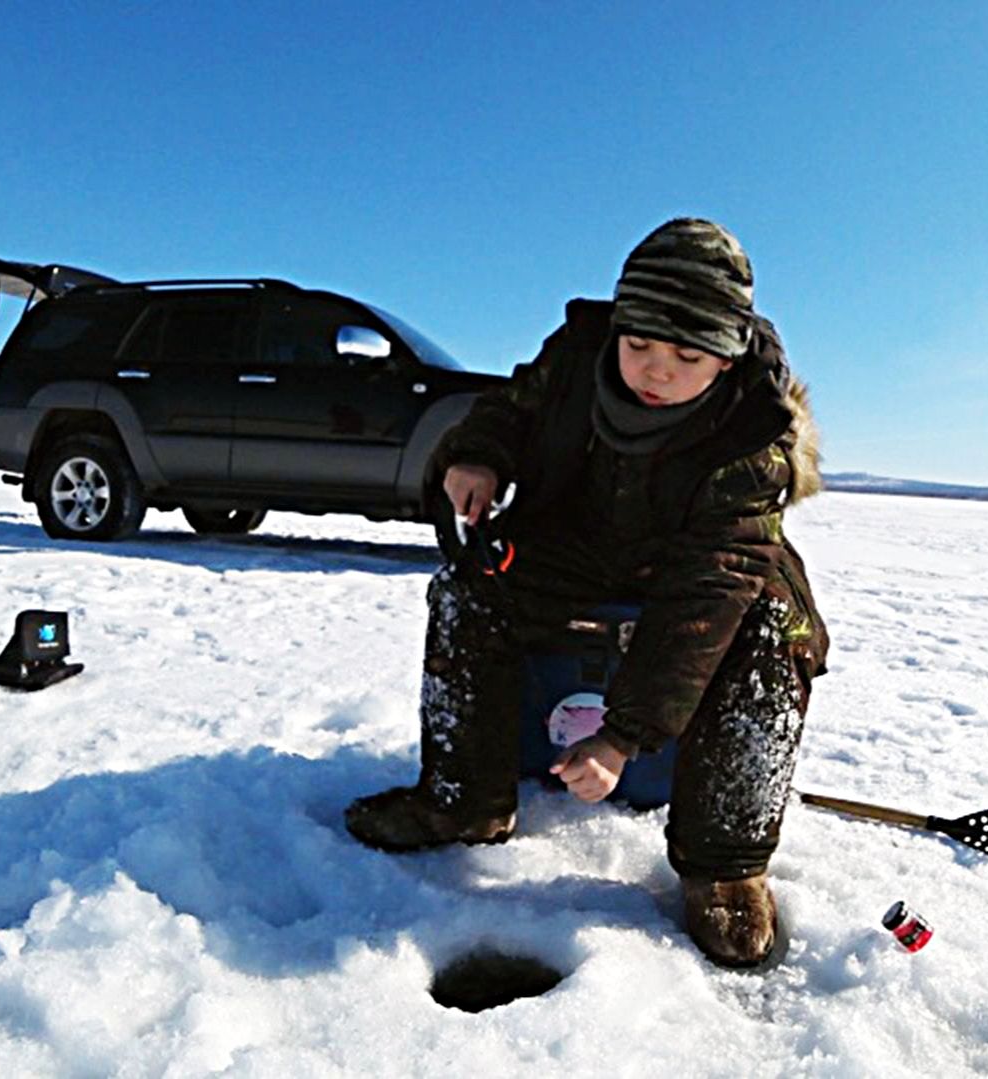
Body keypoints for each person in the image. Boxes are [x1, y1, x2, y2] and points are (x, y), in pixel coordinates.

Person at [345, 218, 828, 968]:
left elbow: (708, 592)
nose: (655, 371)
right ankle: (464, 802)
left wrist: (621, 735)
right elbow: (508, 409)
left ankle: (725, 865)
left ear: (727, 356)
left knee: (772, 629)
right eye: (638, 345)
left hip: (698, 563)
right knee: (471, 592)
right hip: (577, 538)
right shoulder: (577, 352)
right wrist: (478, 455)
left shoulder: (752, 434)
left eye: (687, 357)